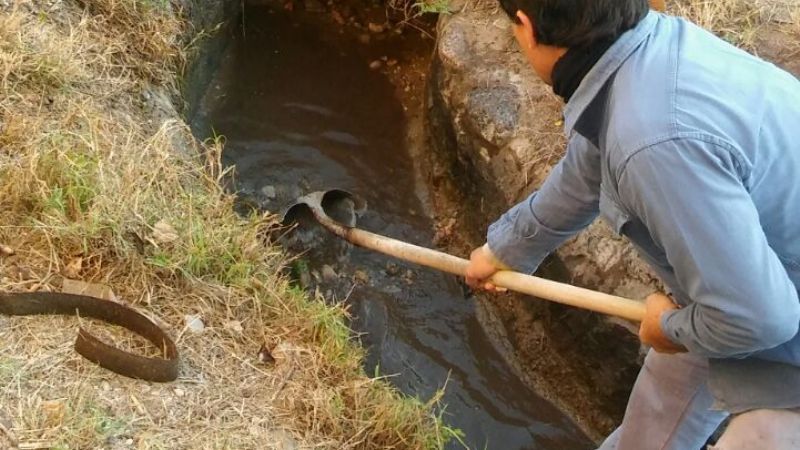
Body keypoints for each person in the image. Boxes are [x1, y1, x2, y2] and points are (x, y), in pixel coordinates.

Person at [462, 0, 800, 448]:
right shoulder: (646, 52)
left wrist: (669, 329)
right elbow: (586, 173)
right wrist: (504, 250)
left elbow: (760, 319)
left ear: (526, 27)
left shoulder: (653, 141)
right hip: (738, 288)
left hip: (767, 328)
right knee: (655, 416)